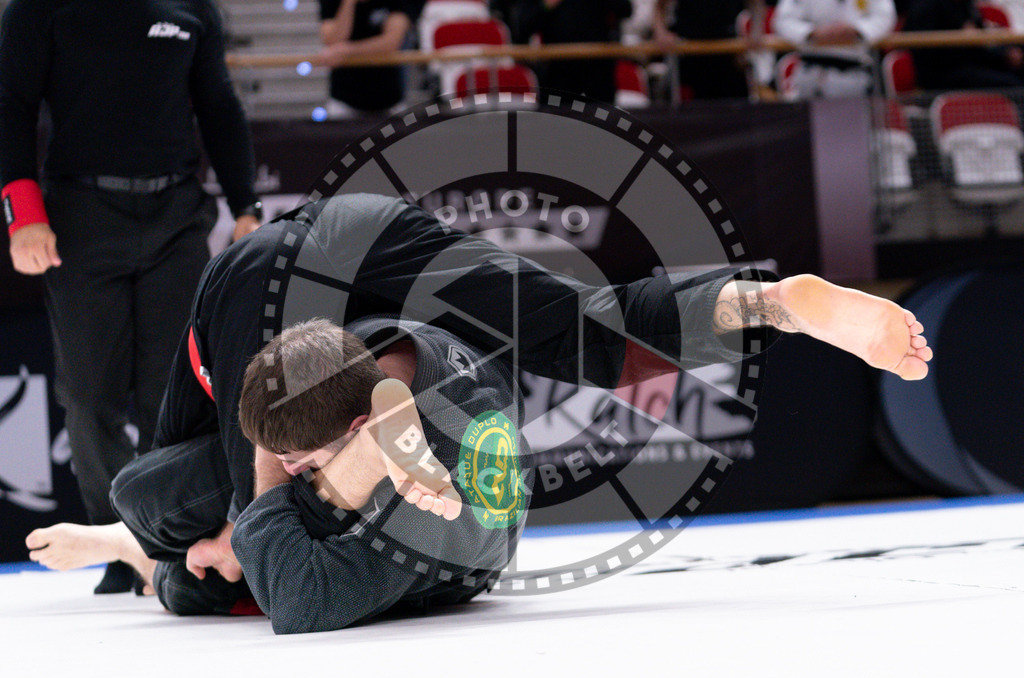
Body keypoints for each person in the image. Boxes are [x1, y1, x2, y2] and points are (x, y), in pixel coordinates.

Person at [25, 193, 932, 633]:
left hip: (274, 314)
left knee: (183, 522)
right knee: (587, 335)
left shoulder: (229, 392)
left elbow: (238, 524)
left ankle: (149, 543)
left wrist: (219, 541)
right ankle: (777, 303)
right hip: (366, 231)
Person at [0, 0, 263, 593]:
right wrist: (22, 213)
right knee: (89, 397)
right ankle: (118, 545)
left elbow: (219, 104)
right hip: (80, 215)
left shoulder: (192, 7)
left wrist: (246, 205)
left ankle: (164, 547)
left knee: (172, 398)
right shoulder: (35, 10)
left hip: (177, 215)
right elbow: (11, 105)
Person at [315, 0, 426, 117]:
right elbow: (333, 41)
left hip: (389, 96)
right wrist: (349, 3)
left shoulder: (399, 3)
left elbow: (391, 42)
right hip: (343, 98)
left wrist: (347, 50)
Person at [772, 0, 897, 99]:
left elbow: (885, 17)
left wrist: (857, 30)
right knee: (808, 122)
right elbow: (782, 20)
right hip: (810, 70)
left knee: (851, 123)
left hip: (853, 70)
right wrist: (811, 32)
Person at [518, 0, 633, 104]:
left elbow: (626, 10)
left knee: (601, 119)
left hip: (598, 73)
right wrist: (546, 5)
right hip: (558, 74)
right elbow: (523, 25)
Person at [904, 0, 1024, 89]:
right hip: (944, 73)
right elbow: (928, 55)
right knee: (1011, 84)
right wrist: (963, 37)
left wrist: (1005, 53)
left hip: (971, 63)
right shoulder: (925, 6)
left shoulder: (965, 4)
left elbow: (980, 40)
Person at [652, 0, 749, 100]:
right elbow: (659, 6)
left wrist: (755, 32)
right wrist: (661, 33)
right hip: (691, 57)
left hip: (728, 55)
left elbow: (755, 4)